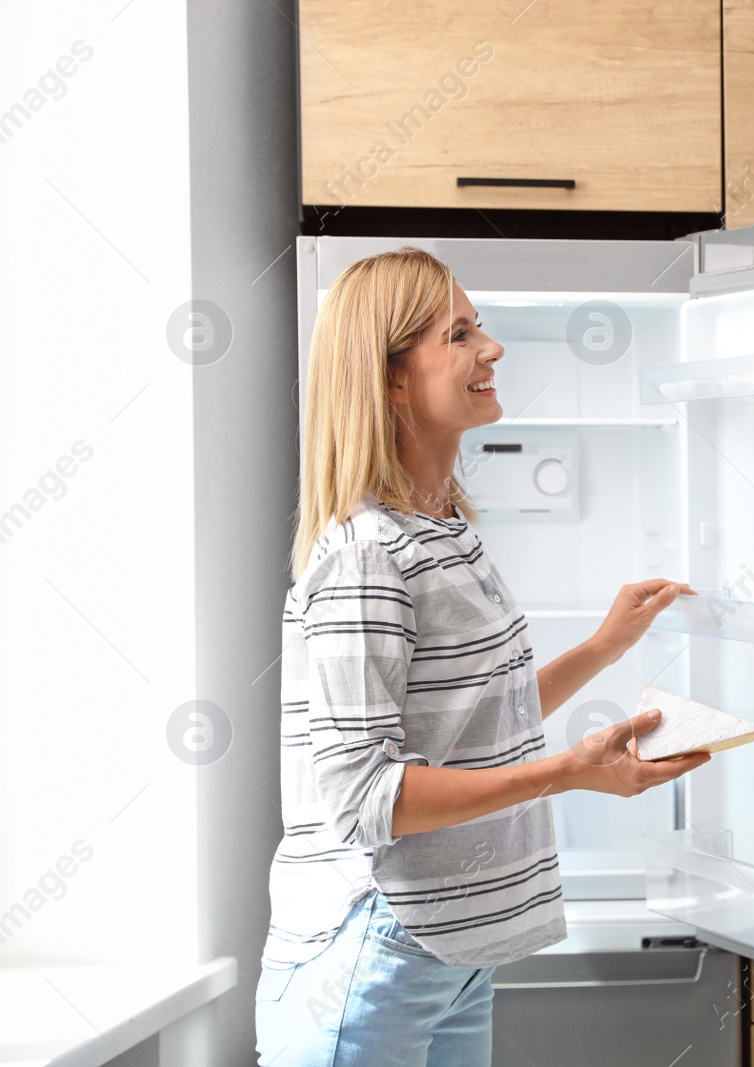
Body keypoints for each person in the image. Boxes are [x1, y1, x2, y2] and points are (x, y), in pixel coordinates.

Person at [255, 248, 707, 1065]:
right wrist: (567, 770)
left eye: (480, 327)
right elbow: (365, 796)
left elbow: (469, 719)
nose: (491, 348)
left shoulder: (445, 532)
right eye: (458, 334)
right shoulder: (367, 552)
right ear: (392, 380)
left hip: (450, 949)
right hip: (371, 944)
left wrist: (603, 648)